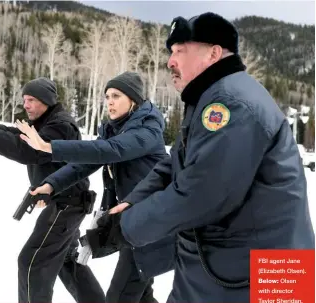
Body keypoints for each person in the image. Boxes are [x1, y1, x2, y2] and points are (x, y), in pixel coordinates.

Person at [92, 12, 315, 303]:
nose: (171, 61)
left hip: (266, 275)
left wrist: (125, 228)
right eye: (171, 52)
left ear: (213, 53)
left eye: (180, 51)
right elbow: (176, 165)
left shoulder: (231, 104)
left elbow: (202, 193)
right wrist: (132, 203)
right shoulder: (209, 99)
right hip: (222, 269)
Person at [15, 71, 176, 303]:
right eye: (107, 96)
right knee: (141, 296)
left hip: (152, 221)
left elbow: (111, 150)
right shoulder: (114, 128)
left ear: (134, 100)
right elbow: (88, 162)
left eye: (117, 95)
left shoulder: (147, 130)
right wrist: (51, 185)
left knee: (120, 296)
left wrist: (49, 147)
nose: (110, 101)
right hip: (133, 222)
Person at [0, 77, 105, 303]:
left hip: (66, 204)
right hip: (67, 203)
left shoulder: (60, 125)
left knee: (32, 263)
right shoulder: (46, 122)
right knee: (66, 262)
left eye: (31, 100)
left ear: (46, 101)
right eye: (24, 100)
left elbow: (31, 151)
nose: (25, 105)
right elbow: (18, 135)